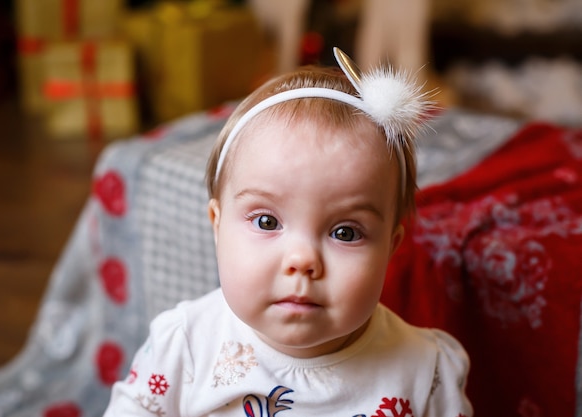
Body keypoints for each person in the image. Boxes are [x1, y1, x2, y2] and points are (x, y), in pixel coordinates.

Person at [103, 47, 472, 416]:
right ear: (217, 226)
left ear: (390, 248)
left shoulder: (425, 374)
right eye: (267, 222)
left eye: (345, 232)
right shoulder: (184, 348)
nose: (303, 260)